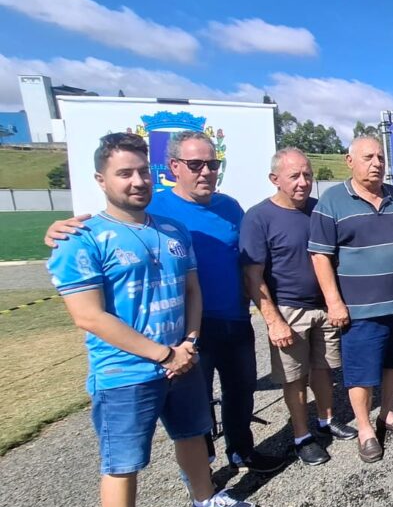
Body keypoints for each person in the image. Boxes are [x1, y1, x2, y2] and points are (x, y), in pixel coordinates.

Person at [48, 133, 254, 507]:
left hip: (182, 357)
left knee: (191, 434)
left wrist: (189, 343)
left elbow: (192, 291)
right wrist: (164, 353)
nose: (136, 180)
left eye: (141, 170)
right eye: (125, 173)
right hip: (126, 371)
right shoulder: (82, 238)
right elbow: (88, 314)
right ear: (101, 179)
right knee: (122, 461)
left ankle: (205, 499)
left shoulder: (171, 230)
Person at [46, 131, 285, 473]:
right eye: (195, 164)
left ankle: (242, 451)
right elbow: (107, 224)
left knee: (240, 391)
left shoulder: (230, 207)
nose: (206, 171)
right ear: (174, 166)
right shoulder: (154, 206)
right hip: (188, 327)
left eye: (212, 164)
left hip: (234, 318)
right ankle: (206, 469)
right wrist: (56, 229)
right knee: (197, 403)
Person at [240, 147, 357, 467]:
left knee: (324, 369)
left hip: (325, 308)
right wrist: (273, 320)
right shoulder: (259, 217)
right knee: (294, 377)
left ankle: (326, 419)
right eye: (295, 176)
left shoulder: (320, 210)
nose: (303, 182)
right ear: (274, 179)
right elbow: (253, 274)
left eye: (307, 174)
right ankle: (302, 436)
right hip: (289, 311)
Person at [309, 136, 393, 463]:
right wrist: (334, 302)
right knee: (361, 372)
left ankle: (387, 413)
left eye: (381, 157)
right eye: (368, 157)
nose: (376, 163)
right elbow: (319, 256)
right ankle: (365, 428)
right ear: (350, 161)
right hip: (359, 310)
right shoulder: (331, 201)